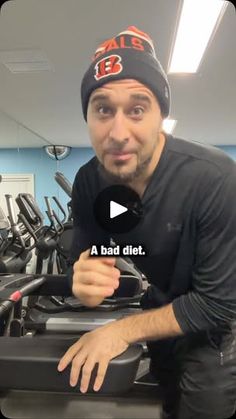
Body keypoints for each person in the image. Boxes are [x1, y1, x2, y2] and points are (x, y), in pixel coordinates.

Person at [57, 26, 236, 419]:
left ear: (160, 116)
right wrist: (84, 281)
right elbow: (89, 256)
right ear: (87, 115)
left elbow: (218, 304)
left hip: (217, 325)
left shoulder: (213, 178)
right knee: (166, 404)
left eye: (137, 109)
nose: (118, 133)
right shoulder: (88, 181)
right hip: (160, 304)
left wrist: (120, 329)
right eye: (103, 109)